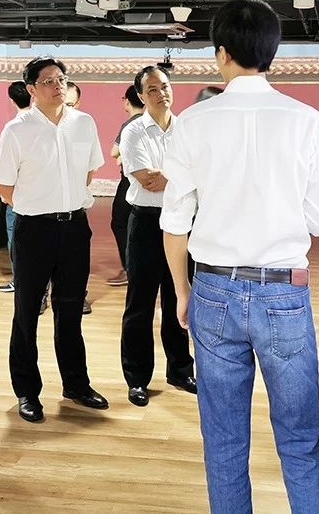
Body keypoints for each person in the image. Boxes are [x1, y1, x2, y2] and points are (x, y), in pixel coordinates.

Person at [161, 0, 319, 513]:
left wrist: (182, 292)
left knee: (224, 440)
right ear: (271, 52)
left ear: (221, 53)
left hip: (213, 289)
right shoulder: (305, 120)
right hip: (284, 292)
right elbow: (318, 220)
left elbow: (174, 222)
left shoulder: (191, 122)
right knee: (300, 440)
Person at [0, 58, 109, 424]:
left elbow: (89, 170)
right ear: (31, 89)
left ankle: (76, 384)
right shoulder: (16, 130)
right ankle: (27, 391)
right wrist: (38, 205)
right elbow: (4, 187)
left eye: (61, 79)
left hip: (75, 227)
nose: (58, 85)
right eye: (48, 81)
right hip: (34, 230)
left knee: (70, 309)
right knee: (27, 311)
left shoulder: (83, 123)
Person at [119, 66, 195, 407]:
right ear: (141, 96)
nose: (161, 93)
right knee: (140, 302)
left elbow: (198, 174)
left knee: (179, 296)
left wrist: (173, 175)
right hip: (147, 223)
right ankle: (137, 378)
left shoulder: (187, 130)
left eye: (164, 86)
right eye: (152, 89)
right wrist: (182, 175)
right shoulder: (133, 132)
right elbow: (147, 180)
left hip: (182, 222)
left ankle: (180, 369)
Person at [109, 85, 145, 287]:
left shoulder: (130, 123)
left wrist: (121, 155)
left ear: (127, 101)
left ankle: (129, 268)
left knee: (120, 223)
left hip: (129, 180)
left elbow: (114, 152)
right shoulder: (149, 120)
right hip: (145, 181)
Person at [64, 81, 94, 315]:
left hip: (75, 211)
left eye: (70, 104)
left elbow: (89, 173)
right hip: (41, 215)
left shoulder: (84, 126)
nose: (65, 108)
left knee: (76, 264)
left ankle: (78, 296)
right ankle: (42, 295)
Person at [0, 81, 30, 295]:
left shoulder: (13, 128)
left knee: (16, 242)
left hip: (17, 198)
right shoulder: (41, 125)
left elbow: (3, 175)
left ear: (12, 101)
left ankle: (20, 282)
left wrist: (9, 199)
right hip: (36, 198)